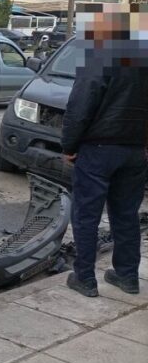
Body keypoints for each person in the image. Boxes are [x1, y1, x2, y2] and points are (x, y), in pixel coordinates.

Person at [61, 28, 148, 297]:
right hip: (134, 150)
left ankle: (84, 277)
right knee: (126, 215)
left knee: (86, 215)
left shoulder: (99, 56)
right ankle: (127, 276)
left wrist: (69, 145)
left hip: (99, 148)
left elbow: (80, 104)